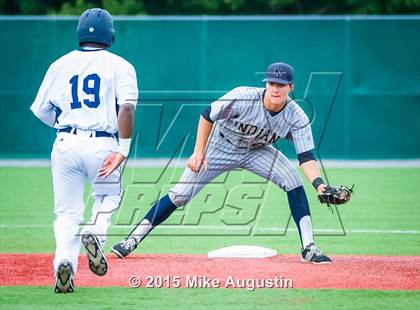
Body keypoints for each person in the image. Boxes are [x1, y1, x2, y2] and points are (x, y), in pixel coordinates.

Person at [112, 62, 331, 264]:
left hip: (258, 151)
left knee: (292, 180)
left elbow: (306, 157)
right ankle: (131, 240)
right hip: (220, 145)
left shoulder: (297, 116)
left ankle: (309, 247)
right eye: (272, 83)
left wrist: (320, 185)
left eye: (281, 84)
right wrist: (198, 152)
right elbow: (208, 115)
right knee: (180, 195)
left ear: (291, 87)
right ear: (266, 83)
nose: (275, 88)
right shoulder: (243, 96)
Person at [30, 8, 138, 293]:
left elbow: (40, 109)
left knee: (66, 213)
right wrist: (123, 149)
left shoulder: (59, 64)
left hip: (66, 142)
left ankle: (64, 261)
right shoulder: (121, 65)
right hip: (103, 143)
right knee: (109, 197)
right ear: (110, 34)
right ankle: (96, 234)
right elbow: (126, 107)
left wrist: (65, 125)